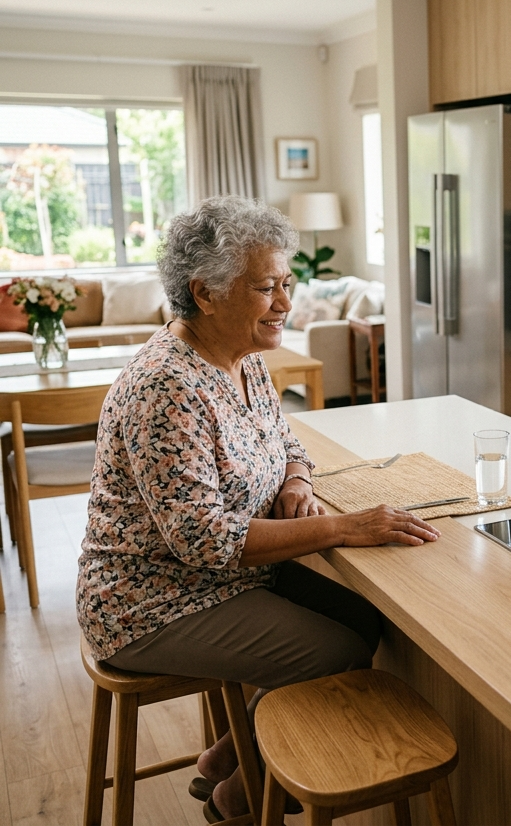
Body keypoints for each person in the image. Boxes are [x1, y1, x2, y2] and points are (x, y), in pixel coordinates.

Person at [77, 196, 439, 821]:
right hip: (151, 599)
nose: (285, 303)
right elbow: (205, 542)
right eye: (266, 287)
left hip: (216, 581)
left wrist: (297, 480)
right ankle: (239, 798)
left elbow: (287, 441)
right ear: (207, 294)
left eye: (287, 283)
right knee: (332, 652)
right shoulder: (168, 385)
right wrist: (345, 527)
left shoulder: (242, 360)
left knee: (362, 618)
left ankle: (227, 755)